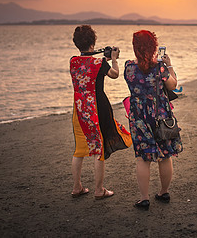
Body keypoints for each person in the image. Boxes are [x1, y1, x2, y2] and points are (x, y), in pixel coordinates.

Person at [69, 25, 132, 200]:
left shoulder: (73, 61)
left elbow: (85, 63)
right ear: (93, 42)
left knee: (80, 149)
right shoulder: (99, 63)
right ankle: (99, 190)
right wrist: (114, 59)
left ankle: (77, 187)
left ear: (77, 44)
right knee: (99, 148)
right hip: (98, 108)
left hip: (80, 108)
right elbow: (115, 75)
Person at [124, 30, 183, 210]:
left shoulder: (128, 67)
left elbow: (132, 85)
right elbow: (173, 85)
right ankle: (163, 192)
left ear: (135, 48)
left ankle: (144, 198)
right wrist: (169, 65)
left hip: (139, 116)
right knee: (165, 155)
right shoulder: (160, 67)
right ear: (153, 47)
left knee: (143, 158)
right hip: (160, 113)